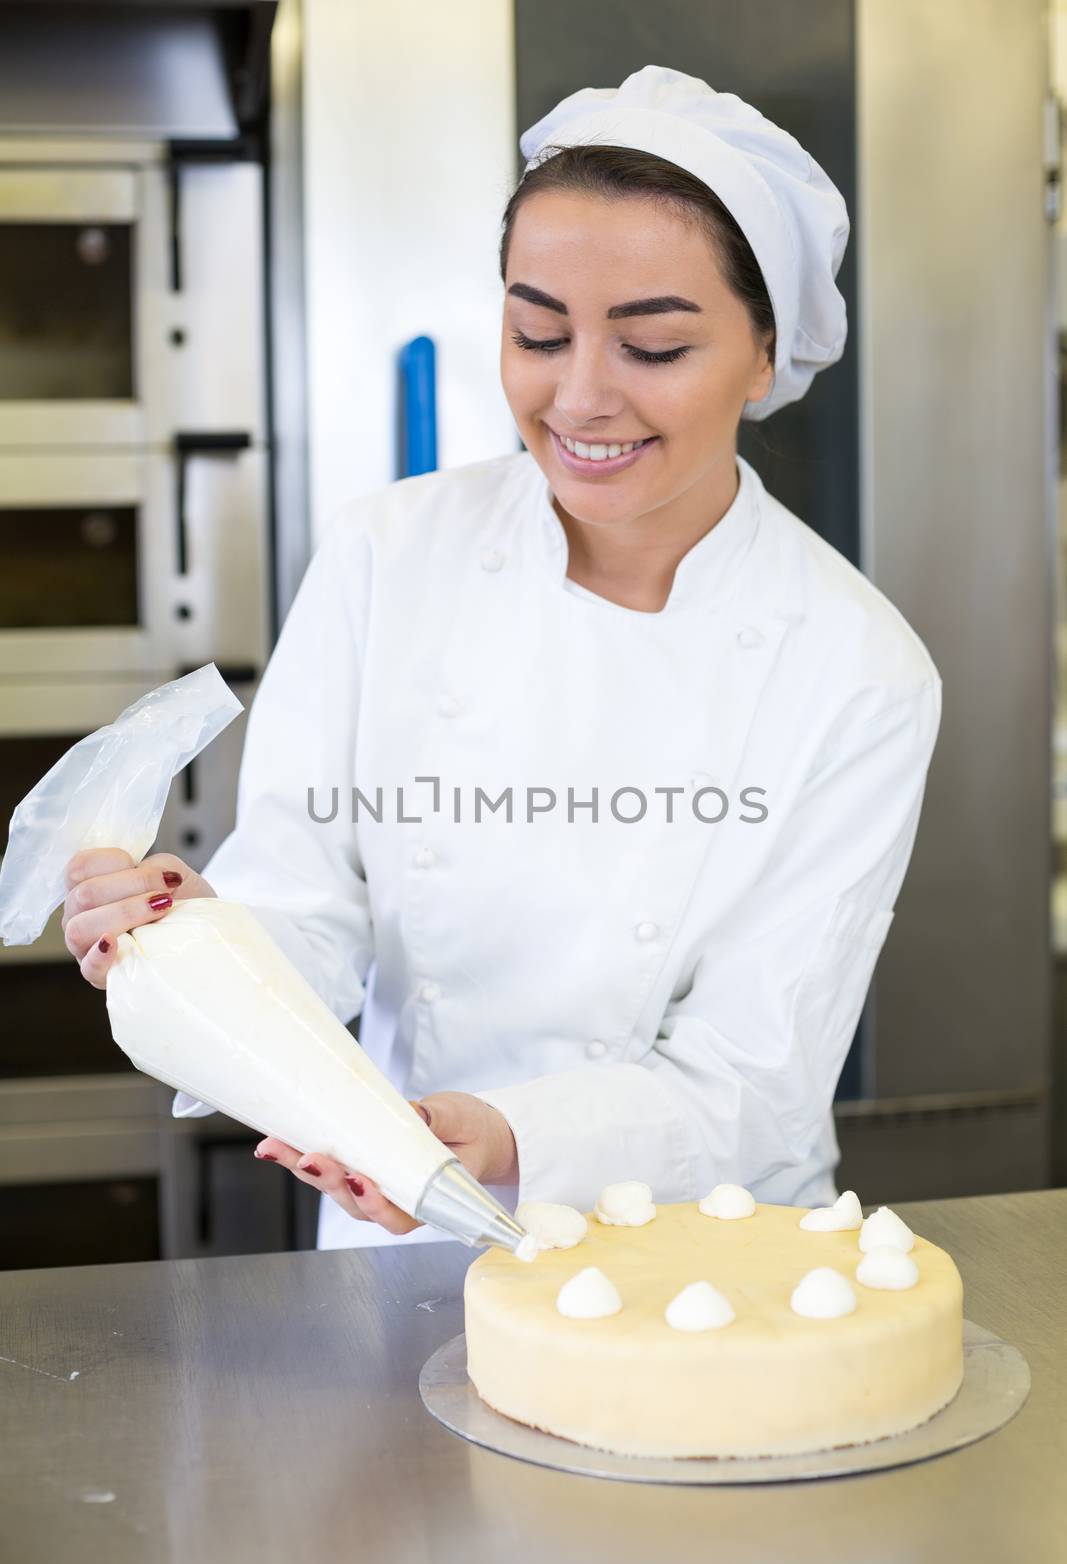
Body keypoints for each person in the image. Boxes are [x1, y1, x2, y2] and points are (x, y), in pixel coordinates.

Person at [61, 65, 941, 1250]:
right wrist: (202, 947)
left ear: (763, 351)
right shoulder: (392, 552)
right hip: (393, 1220)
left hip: (702, 1263)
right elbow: (306, 906)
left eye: (654, 346)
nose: (578, 397)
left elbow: (753, 1077)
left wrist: (505, 1137)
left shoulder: (857, 670)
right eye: (536, 331)